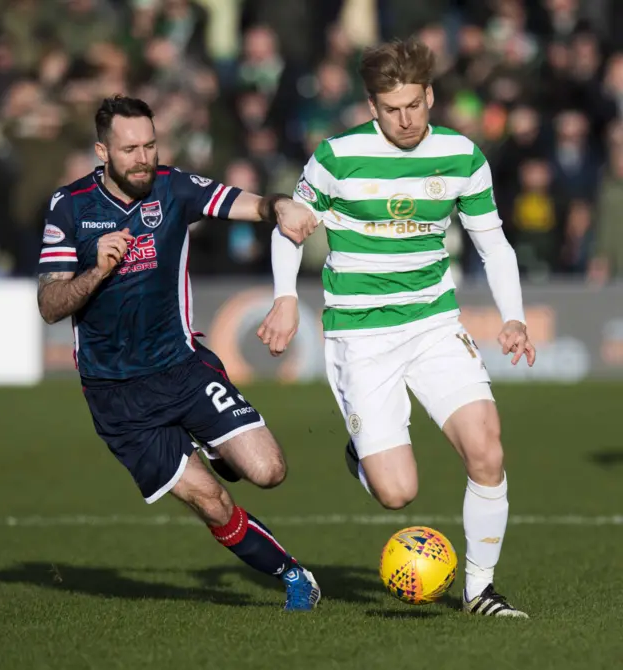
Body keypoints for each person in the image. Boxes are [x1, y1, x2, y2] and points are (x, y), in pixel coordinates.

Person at [257, 39, 536, 617]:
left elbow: (494, 244)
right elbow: (291, 227)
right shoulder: (337, 157)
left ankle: (479, 590)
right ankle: (362, 456)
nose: (406, 119)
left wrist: (514, 317)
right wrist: (285, 299)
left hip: (434, 324)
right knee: (397, 493)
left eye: (415, 105)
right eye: (392, 109)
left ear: (430, 95)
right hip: (360, 337)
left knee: (486, 449)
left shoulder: (462, 156)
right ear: (371, 105)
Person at [36, 95, 320, 612]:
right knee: (210, 500)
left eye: (150, 145)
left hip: (183, 368)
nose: (143, 158)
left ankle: (214, 444)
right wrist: (96, 271)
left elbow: (254, 204)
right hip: (117, 397)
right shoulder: (70, 206)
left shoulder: (174, 188)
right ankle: (292, 573)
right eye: (130, 149)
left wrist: (283, 207)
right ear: (103, 150)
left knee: (269, 471)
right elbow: (50, 305)